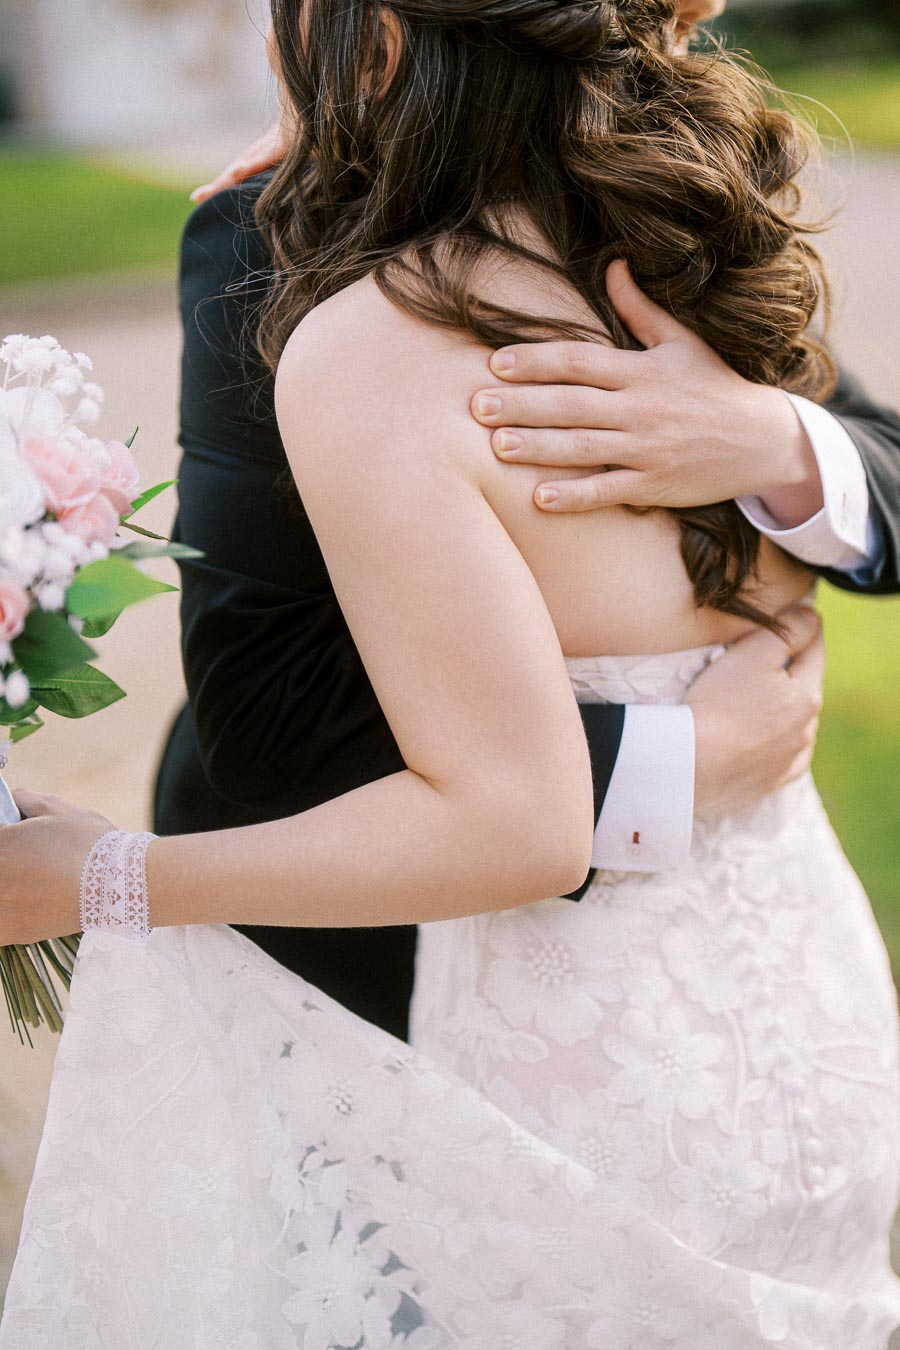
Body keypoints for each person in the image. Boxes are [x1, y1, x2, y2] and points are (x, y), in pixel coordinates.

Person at [1, 1, 899, 1344]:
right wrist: (669, 759)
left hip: (557, 1066)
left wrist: (771, 438)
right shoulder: (705, 224)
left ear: (367, 36)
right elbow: (282, 714)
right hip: (796, 1007)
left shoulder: (379, 340)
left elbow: (510, 817)